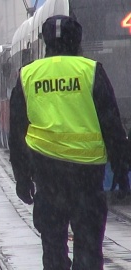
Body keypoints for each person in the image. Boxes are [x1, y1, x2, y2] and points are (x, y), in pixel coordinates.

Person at [9, 15, 129, 269]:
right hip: (87, 178)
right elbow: (111, 124)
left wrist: (22, 178)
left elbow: (17, 133)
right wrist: (120, 168)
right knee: (88, 248)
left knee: (53, 249)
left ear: (45, 42)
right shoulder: (91, 71)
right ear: (78, 42)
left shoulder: (27, 76)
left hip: (48, 177)